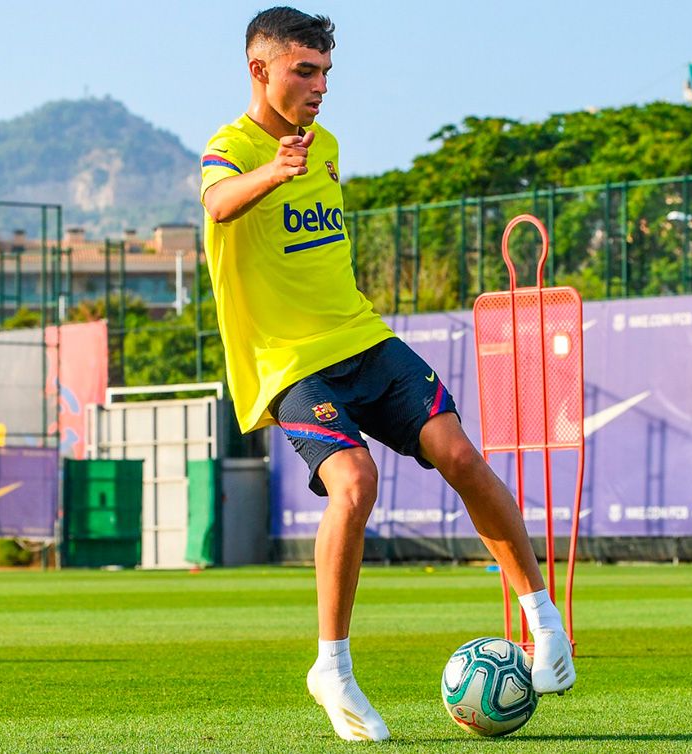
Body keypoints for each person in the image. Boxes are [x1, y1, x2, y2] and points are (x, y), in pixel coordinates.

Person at [199, 7, 575, 742]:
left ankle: (543, 619)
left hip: (362, 338)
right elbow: (216, 203)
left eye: (325, 74)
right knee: (357, 482)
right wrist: (270, 172)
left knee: (462, 453)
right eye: (304, 71)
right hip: (291, 363)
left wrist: (297, 164)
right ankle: (331, 667)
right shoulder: (231, 147)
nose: (318, 87)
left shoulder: (327, 147)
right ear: (260, 70)